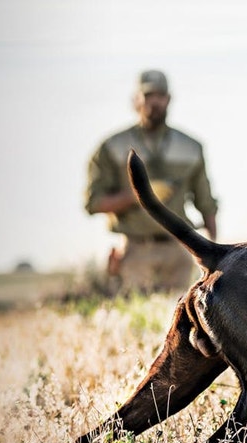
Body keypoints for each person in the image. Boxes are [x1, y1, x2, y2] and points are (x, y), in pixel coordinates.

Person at [85, 69, 218, 294]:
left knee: (183, 321)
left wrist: (214, 256)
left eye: (160, 96)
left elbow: (206, 202)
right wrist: (138, 195)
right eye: (148, 96)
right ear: (136, 100)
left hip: (180, 250)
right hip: (135, 251)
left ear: (169, 99)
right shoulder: (112, 147)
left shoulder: (192, 147)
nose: (154, 102)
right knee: (135, 316)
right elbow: (93, 202)